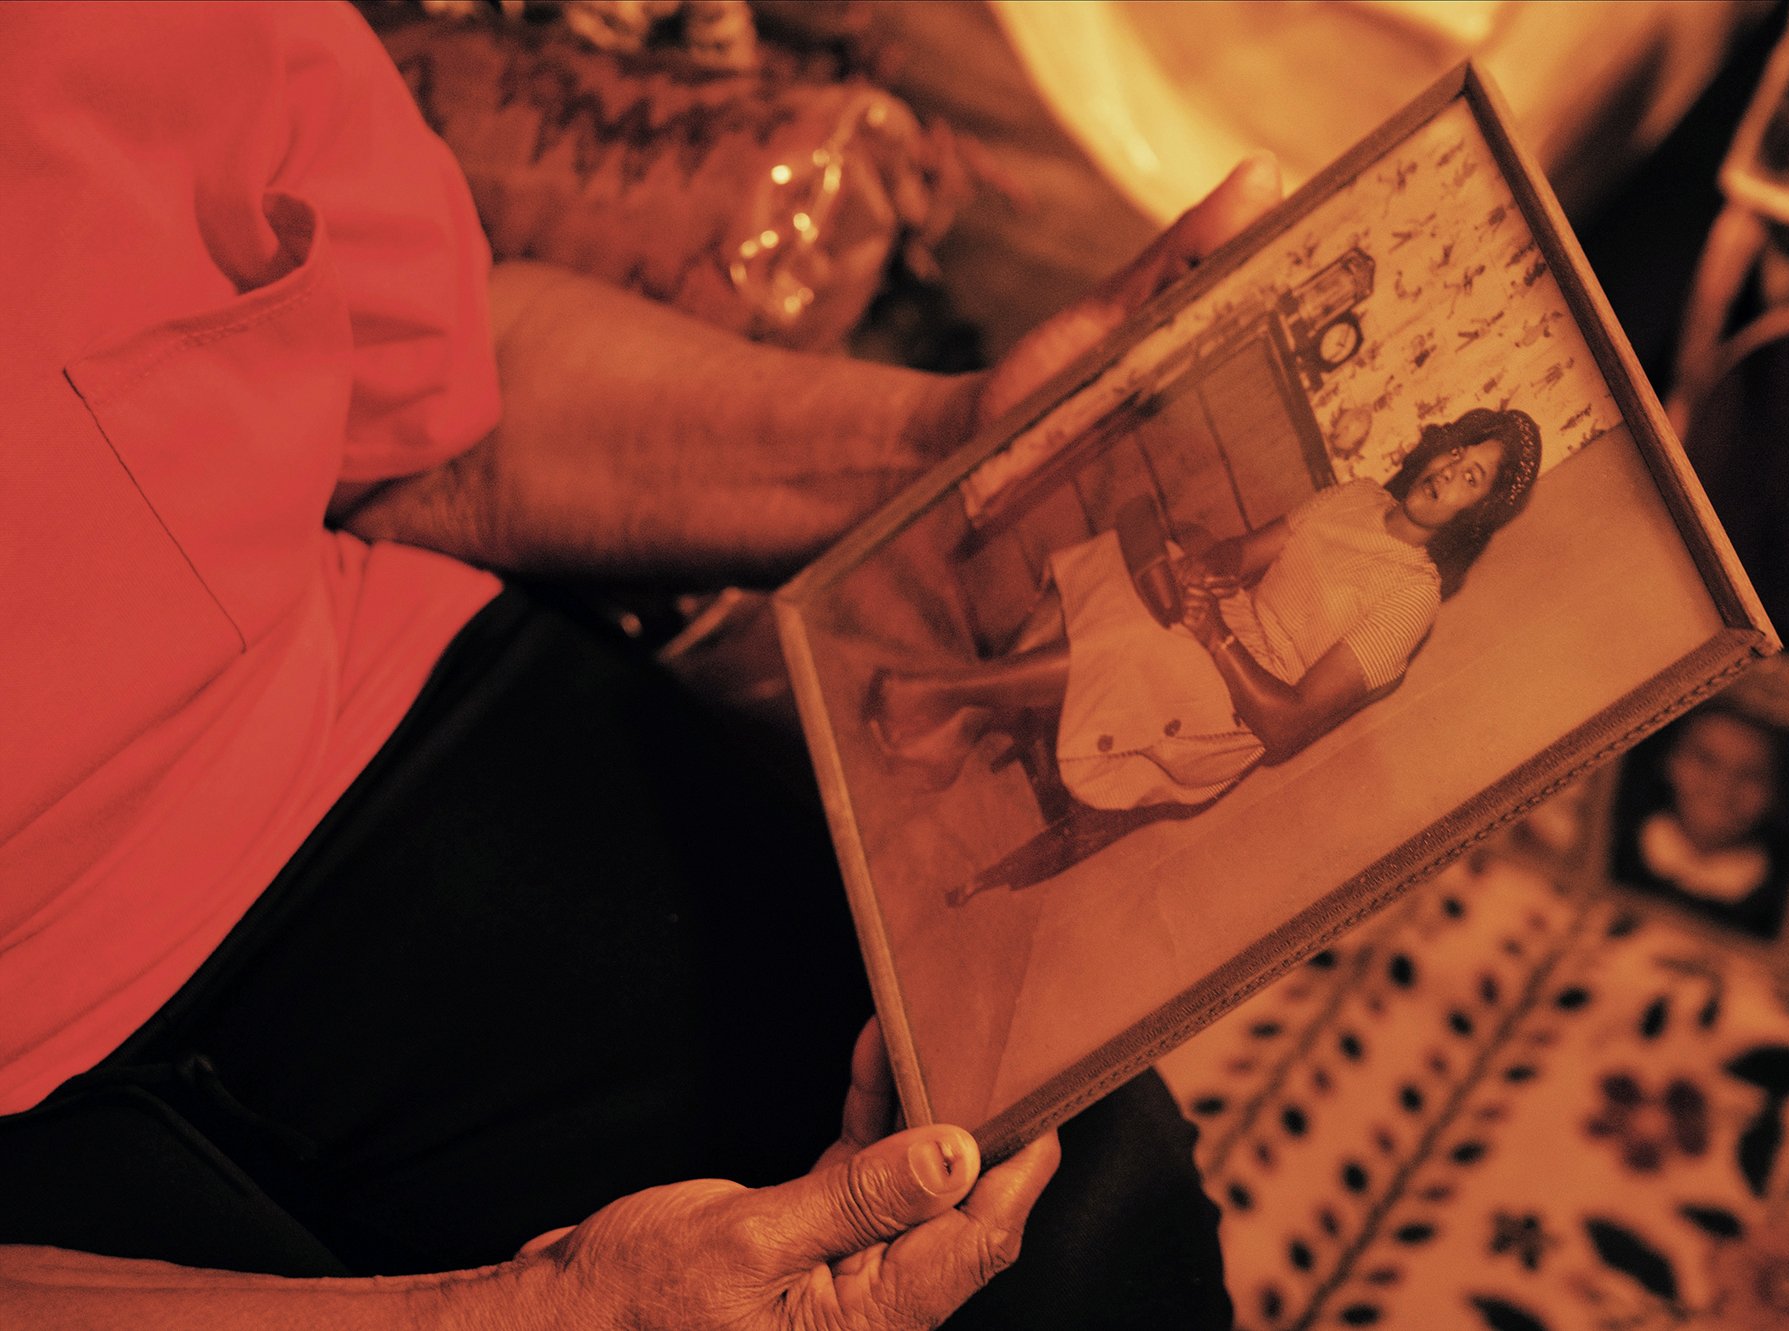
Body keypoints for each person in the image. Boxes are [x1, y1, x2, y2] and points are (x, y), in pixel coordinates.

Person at [0, 4, 1271, 1326]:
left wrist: (950, 447)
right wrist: (521, 1311)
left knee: (1070, 1228)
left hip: (344, 709)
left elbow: (443, 414)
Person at [868, 408, 1542, 810]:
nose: (1450, 472)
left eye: (1471, 478)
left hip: (1241, 705)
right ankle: (967, 724)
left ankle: (939, 691)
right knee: (1126, 560)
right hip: (1226, 621)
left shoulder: (1413, 597)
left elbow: (1289, 723)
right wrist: (1203, 570)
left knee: (1140, 633)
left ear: (1472, 514)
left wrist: (1215, 633)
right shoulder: (1357, 498)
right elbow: (1243, 555)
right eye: (1457, 452)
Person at [1609, 706, 1789, 939]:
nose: (1723, 787)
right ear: (1671, 760)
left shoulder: (1786, 902)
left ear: (1776, 792)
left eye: (1750, 774)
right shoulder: (1610, 841)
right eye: (1706, 760)